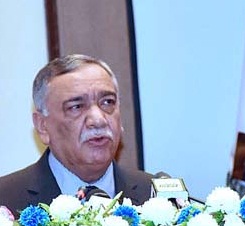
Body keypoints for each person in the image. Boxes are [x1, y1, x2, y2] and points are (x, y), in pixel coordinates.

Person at [0, 54, 153, 212]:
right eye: (76, 107)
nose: (98, 120)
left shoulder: (155, 196)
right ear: (42, 126)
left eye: (107, 102)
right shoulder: (5, 199)